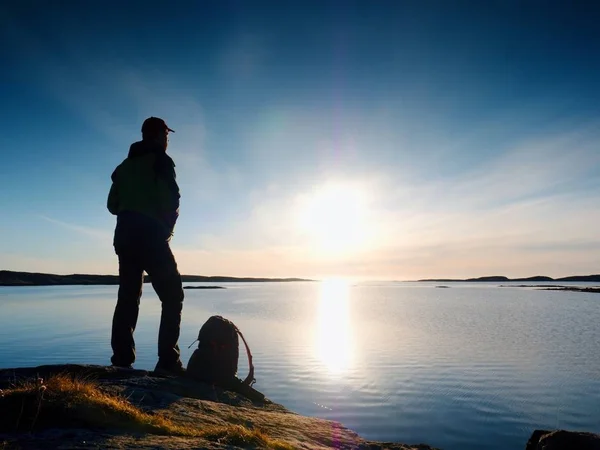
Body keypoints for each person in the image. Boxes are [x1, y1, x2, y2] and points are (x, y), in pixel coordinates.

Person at [107, 116, 185, 375]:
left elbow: (112, 206)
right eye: (166, 136)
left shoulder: (124, 166)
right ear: (159, 136)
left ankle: (121, 360)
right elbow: (172, 198)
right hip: (151, 235)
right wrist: (166, 227)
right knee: (173, 295)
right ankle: (168, 362)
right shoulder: (161, 161)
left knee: (128, 297)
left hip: (125, 236)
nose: (167, 140)